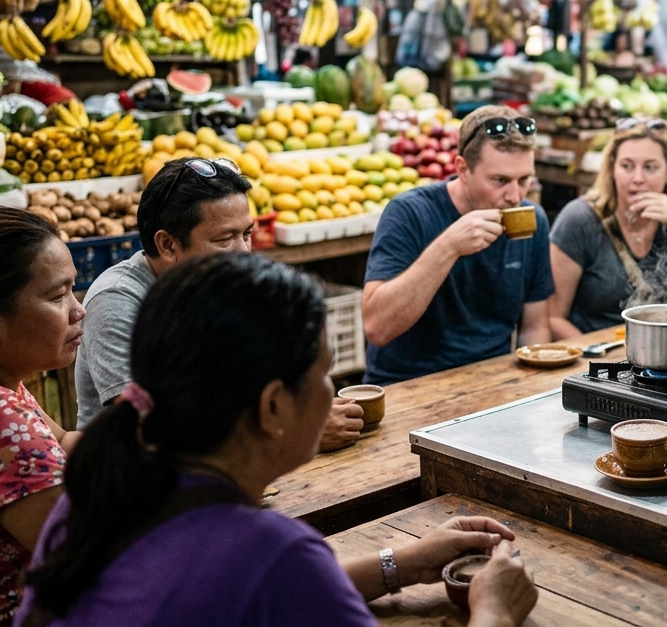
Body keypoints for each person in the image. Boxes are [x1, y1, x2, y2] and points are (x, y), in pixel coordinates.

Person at [18, 254, 537, 627]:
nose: (331, 390)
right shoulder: (275, 554)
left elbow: (265, 590)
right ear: (272, 407)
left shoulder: (98, 493)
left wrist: (401, 564)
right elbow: (278, 577)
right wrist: (494, 611)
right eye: (324, 373)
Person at [72, 158, 366, 451]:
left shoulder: (220, 287)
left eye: (246, 234)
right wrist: (291, 431)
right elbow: (146, 425)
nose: (244, 252)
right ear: (168, 245)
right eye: (225, 239)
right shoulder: (116, 300)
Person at [363, 106, 553, 384]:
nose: (515, 196)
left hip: (493, 381)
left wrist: (533, 388)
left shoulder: (533, 219)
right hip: (409, 383)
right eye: (500, 180)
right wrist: (449, 246)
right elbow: (377, 328)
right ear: (462, 169)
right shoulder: (410, 212)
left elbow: (534, 329)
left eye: (524, 180)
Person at [549, 118, 667, 338]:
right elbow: (553, 317)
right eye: (627, 166)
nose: (637, 178)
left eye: (650, 167)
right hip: (598, 350)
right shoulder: (579, 220)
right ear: (611, 169)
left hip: (666, 348)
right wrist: (594, 351)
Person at [0, 209, 83, 624]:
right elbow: (86, 560)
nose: (78, 310)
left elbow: (63, 442)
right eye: (57, 296)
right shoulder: (5, 421)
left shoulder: (8, 390)